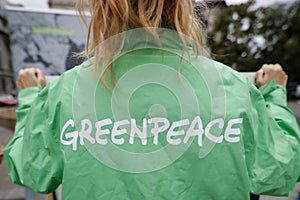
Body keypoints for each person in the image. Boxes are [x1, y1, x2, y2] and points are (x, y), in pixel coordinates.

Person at [4, 0, 300, 200]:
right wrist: (273, 94)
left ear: (102, 10)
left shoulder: (64, 93)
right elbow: (280, 170)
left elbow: (30, 168)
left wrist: (31, 97)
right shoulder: (233, 88)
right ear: (184, 8)